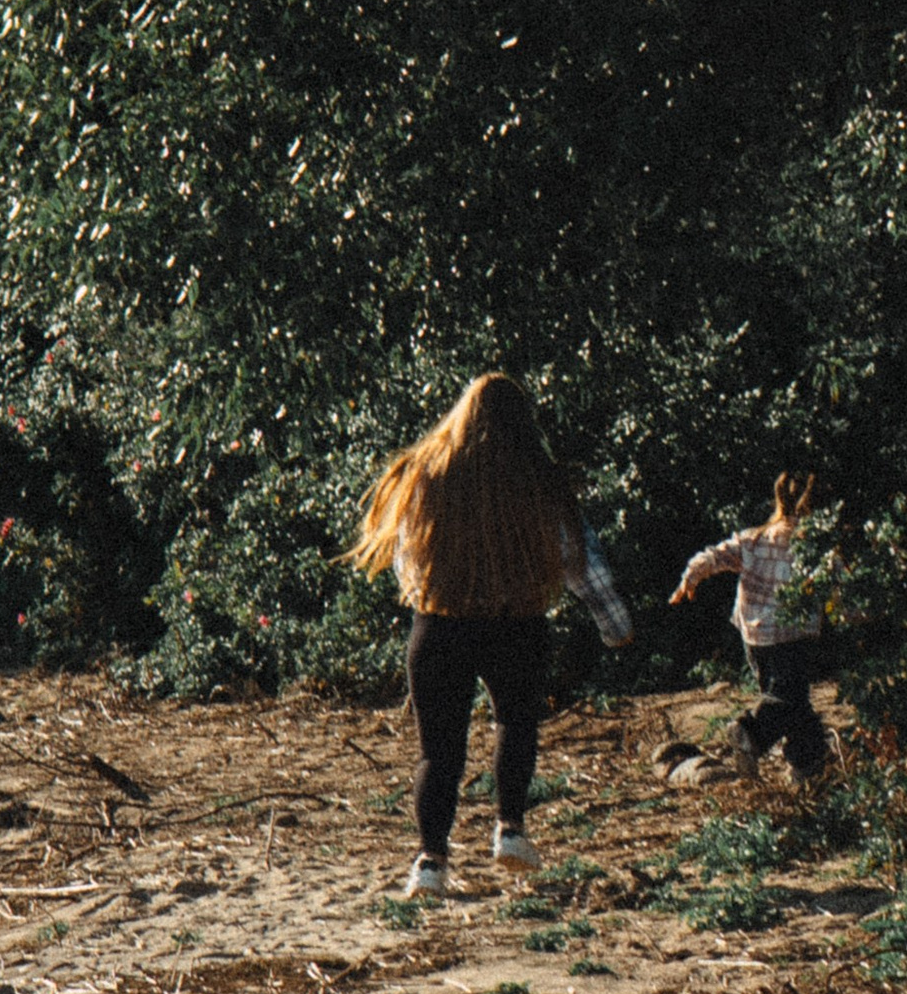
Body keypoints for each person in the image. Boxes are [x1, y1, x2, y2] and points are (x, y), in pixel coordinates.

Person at [353, 373, 633, 897]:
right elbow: (579, 558)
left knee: (437, 754)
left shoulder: (427, 474)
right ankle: (510, 829)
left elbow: (405, 555)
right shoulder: (537, 480)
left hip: (438, 625)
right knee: (516, 724)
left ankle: (430, 863)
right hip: (516, 622)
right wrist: (615, 626)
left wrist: (429, 594)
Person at [671, 470, 829, 780]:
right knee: (787, 700)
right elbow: (840, 588)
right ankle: (750, 731)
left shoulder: (754, 539)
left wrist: (690, 576)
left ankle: (807, 765)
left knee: (792, 702)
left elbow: (716, 555)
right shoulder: (815, 547)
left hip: (755, 638)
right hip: (792, 637)